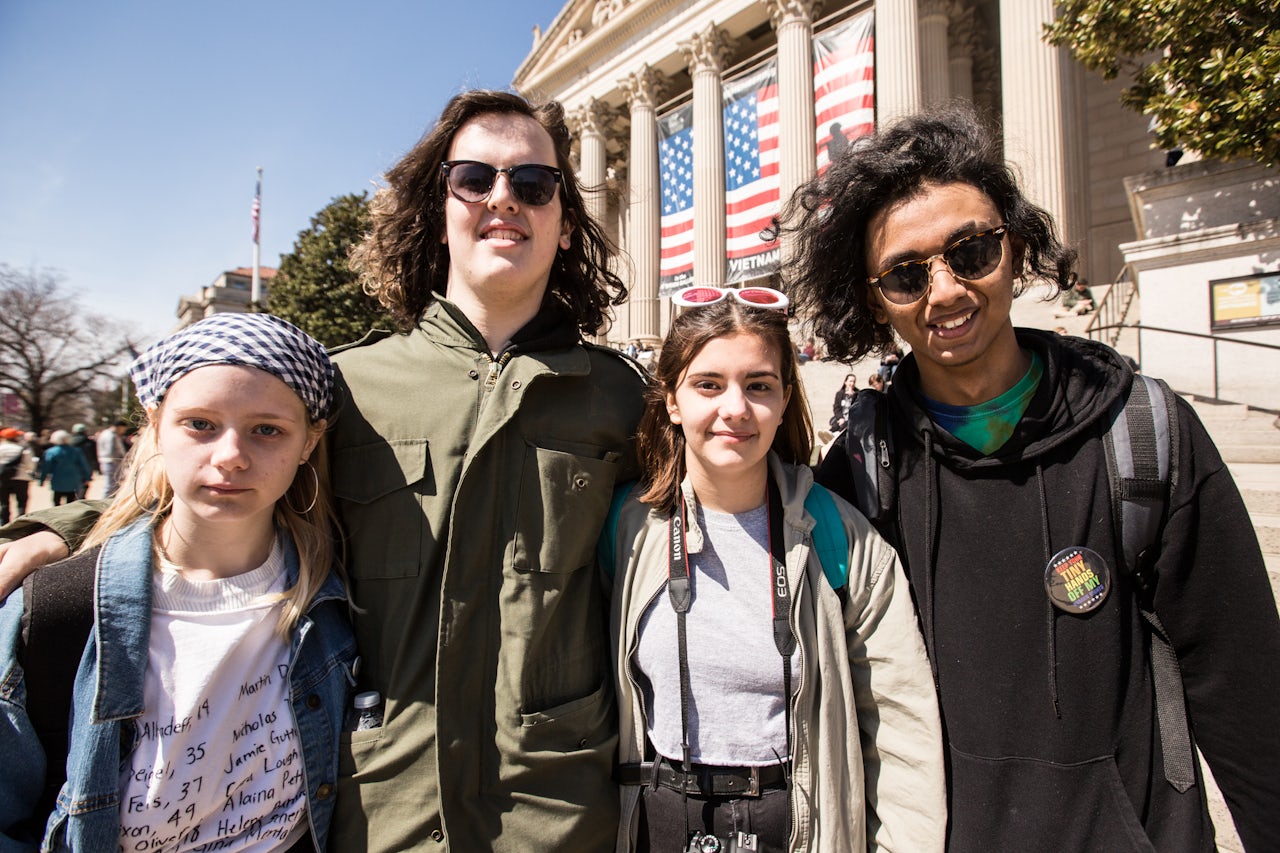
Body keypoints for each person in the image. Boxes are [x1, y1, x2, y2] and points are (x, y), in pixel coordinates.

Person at [0, 89, 647, 851]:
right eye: (474, 179)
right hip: (378, 808)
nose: (503, 198)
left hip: (557, 811)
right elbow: (221, 479)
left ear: (565, 223)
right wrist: (55, 526)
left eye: (533, 184)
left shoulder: (621, 397)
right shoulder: (348, 386)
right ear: (438, 209)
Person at [778, 104, 1280, 851]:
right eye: (907, 274)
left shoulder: (1140, 434)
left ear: (1014, 247)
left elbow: (1243, 690)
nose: (945, 290)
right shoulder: (863, 470)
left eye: (972, 250)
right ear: (875, 299)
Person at [604, 288, 944, 852]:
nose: (734, 408)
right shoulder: (626, 531)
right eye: (708, 384)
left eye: (758, 385)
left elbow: (900, 730)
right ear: (671, 400)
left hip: (799, 828)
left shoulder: (842, 538)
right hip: (653, 825)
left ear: (785, 401)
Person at [0, 312, 356, 851]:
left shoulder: (338, 595)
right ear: (156, 425)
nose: (231, 457)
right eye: (200, 424)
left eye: (267, 430)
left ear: (310, 441)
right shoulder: (55, 608)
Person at [37, 430, 92, 506]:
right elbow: (84, 465)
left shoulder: (51, 452)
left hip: (57, 480)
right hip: (73, 480)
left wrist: (42, 479)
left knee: (56, 501)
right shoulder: (76, 451)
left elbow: (46, 467)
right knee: (71, 500)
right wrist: (88, 477)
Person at [0, 429, 36, 525]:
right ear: (15, 437)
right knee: (21, 502)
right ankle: (19, 524)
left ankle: (4, 524)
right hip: (21, 478)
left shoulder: (1, 448)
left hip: (2, 479)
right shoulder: (23, 449)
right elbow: (31, 465)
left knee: (4, 503)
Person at [95, 418, 129, 498]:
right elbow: (111, 451)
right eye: (123, 429)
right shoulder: (111, 436)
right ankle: (104, 504)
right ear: (119, 427)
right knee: (111, 486)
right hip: (112, 462)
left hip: (106, 461)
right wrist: (121, 462)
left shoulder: (105, 434)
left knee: (112, 485)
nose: (123, 431)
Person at [68, 423, 98, 499]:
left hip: (72, 466)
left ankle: (74, 498)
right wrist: (97, 466)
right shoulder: (90, 443)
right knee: (84, 484)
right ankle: (80, 498)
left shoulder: (69, 442)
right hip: (87, 466)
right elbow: (94, 455)